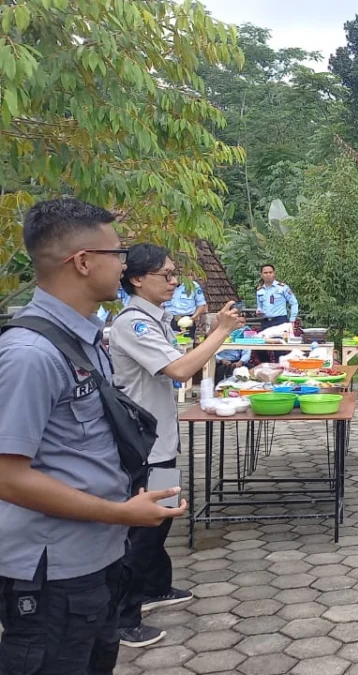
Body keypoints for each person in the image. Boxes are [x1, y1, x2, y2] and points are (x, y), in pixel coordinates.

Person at [0, 198, 186, 675]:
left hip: (98, 555)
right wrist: (119, 512)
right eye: (117, 254)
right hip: (53, 573)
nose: (124, 264)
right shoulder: (31, 354)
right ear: (82, 262)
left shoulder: (84, 338)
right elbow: (8, 477)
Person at [109, 244, 244, 648]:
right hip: (142, 446)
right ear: (136, 279)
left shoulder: (156, 319)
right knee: (143, 528)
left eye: (174, 274)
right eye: (165, 275)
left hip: (161, 438)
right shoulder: (133, 324)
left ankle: (154, 587)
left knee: (164, 515)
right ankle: (121, 615)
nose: (173, 282)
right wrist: (221, 330)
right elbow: (180, 369)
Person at [254, 263, 298, 363]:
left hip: (280, 321)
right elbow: (259, 306)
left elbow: (294, 303)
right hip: (266, 321)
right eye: (265, 273)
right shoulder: (259, 290)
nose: (268, 274)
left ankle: (281, 372)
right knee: (259, 346)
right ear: (261, 275)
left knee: (280, 349)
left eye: (270, 272)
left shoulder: (282, 287)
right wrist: (259, 311)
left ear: (274, 274)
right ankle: (268, 367)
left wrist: (292, 320)